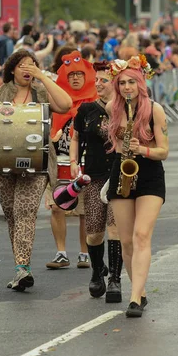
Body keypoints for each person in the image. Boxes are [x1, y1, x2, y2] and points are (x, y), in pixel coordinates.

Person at [0, 49, 72, 289]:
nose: (27, 69)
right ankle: (21, 267)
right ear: (12, 68)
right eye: (22, 64)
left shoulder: (41, 92)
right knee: (11, 214)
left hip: (37, 164)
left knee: (25, 212)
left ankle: (23, 268)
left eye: (31, 64)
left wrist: (43, 76)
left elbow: (65, 105)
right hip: (3, 164)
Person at [105, 54, 169, 317]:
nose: (127, 87)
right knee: (127, 242)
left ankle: (134, 298)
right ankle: (139, 292)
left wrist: (142, 149)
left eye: (132, 82)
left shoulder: (155, 109)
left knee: (142, 234)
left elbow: (164, 151)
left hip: (150, 171)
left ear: (141, 83)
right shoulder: (113, 108)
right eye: (122, 83)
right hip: (122, 170)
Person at [70, 62, 123, 302]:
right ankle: (96, 271)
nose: (99, 84)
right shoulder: (86, 109)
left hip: (119, 173)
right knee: (94, 232)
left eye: (104, 80)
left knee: (114, 228)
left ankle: (114, 278)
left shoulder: (125, 108)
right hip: (93, 174)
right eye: (97, 81)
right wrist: (73, 162)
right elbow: (75, 136)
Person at [45, 50, 98, 270]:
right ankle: (61, 253)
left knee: (85, 211)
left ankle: (84, 253)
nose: (75, 78)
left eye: (79, 74)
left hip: (86, 163)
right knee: (57, 207)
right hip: (58, 162)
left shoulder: (97, 101)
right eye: (71, 74)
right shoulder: (55, 101)